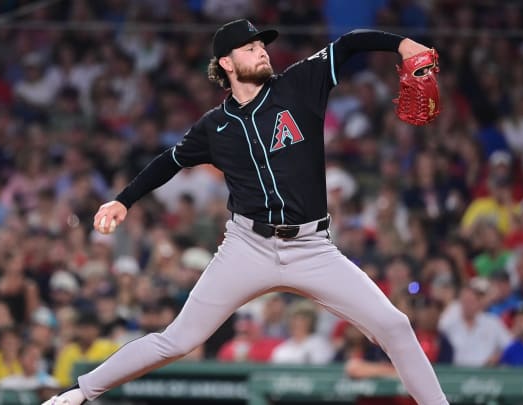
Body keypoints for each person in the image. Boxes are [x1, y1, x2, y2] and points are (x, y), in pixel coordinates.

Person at [43, 19, 449, 405]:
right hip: (246, 246)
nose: (262, 52)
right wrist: (123, 200)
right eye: (250, 47)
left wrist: (401, 43)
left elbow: (349, 43)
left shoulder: (300, 84)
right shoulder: (214, 126)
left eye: (262, 46)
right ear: (226, 62)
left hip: (312, 247)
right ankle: (77, 393)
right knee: (178, 341)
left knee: (395, 326)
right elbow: (170, 160)